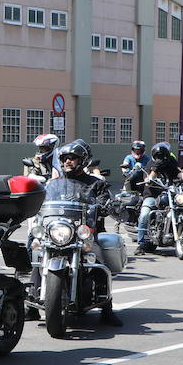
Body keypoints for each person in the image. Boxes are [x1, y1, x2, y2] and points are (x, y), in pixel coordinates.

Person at [47, 139, 120, 325]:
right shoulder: (54, 184)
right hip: (60, 233)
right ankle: (31, 305)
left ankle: (107, 309)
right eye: (64, 158)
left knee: (98, 260)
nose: (68, 162)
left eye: (73, 158)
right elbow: (43, 201)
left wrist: (105, 205)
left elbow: (105, 201)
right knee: (38, 254)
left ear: (83, 160)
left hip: (85, 234)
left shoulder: (96, 184)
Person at [135, 142, 183, 254]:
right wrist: (155, 169)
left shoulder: (170, 163)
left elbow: (179, 174)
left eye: (163, 156)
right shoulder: (150, 164)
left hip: (169, 194)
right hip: (152, 195)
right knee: (144, 214)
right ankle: (141, 243)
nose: (161, 159)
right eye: (159, 156)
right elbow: (148, 180)